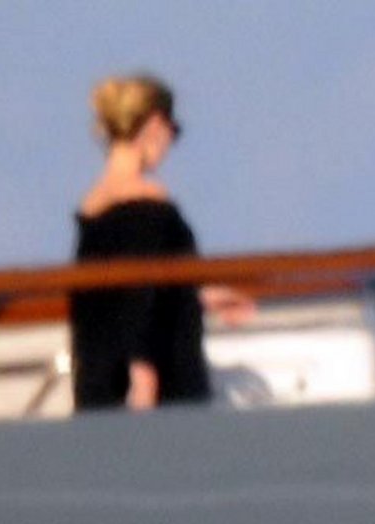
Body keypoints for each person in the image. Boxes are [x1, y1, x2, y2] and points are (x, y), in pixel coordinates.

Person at [70, 74, 253, 411]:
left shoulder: (93, 206)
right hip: (162, 386)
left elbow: (130, 291)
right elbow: (140, 294)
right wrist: (143, 375)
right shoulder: (145, 202)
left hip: (101, 383)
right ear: (155, 125)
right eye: (174, 130)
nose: (171, 142)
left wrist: (205, 295)